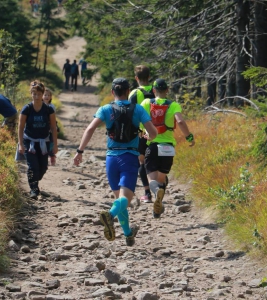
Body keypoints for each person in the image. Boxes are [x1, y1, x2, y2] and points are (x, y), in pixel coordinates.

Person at [73, 78, 157, 246]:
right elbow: (153, 132)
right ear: (128, 92)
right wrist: (147, 136)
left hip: (111, 159)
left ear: (113, 92)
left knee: (120, 199)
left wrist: (80, 151)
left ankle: (128, 234)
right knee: (126, 198)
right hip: (129, 158)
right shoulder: (138, 109)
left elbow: (90, 129)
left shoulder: (105, 109)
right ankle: (110, 216)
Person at [141, 79, 195, 218]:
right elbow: (181, 122)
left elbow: (138, 120)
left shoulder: (147, 103)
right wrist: (189, 137)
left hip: (152, 146)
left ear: (153, 90)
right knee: (161, 179)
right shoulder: (174, 105)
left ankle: (156, 195)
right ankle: (157, 210)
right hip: (168, 147)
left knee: (152, 180)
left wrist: (142, 133)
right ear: (167, 90)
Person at [18, 80, 58, 199]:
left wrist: (55, 145)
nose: (37, 97)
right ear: (31, 94)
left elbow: (53, 127)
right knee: (32, 166)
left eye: (39, 94)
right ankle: (34, 190)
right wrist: (20, 144)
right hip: (29, 141)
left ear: (42, 94)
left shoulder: (48, 109)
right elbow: (20, 127)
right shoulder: (27, 109)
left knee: (43, 167)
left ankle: (35, 181)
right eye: (34, 94)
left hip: (44, 142)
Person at [128, 65, 155, 203]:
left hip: (141, 133)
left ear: (136, 78)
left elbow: (130, 114)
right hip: (158, 132)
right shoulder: (156, 90)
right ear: (149, 77)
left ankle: (147, 193)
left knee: (142, 162)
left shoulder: (134, 93)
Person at [43, 88, 57, 166]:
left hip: (50, 126)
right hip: (42, 126)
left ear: (51, 97)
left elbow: (53, 118)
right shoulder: (39, 106)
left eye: (48, 95)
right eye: (45, 95)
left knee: (50, 142)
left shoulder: (52, 106)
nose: (46, 97)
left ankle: (52, 156)